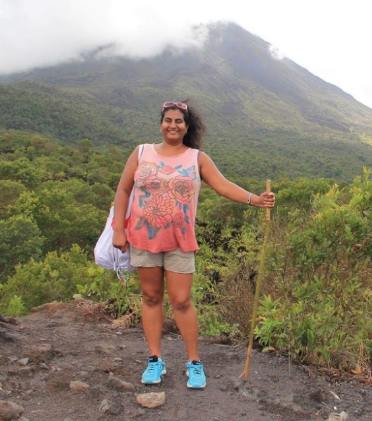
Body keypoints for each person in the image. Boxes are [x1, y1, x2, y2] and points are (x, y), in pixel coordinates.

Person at [112, 100, 275, 388]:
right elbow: (124, 189)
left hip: (179, 241)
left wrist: (255, 199)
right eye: (168, 120)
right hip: (143, 239)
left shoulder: (196, 158)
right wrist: (118, 231)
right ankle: (154, 360)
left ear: (187, 127)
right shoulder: (141, 153)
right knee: (150, 298)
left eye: (179, 121)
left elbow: (223, 186)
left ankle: (194, 362)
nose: (172, 125)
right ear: (160, 123)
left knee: (182, 301)